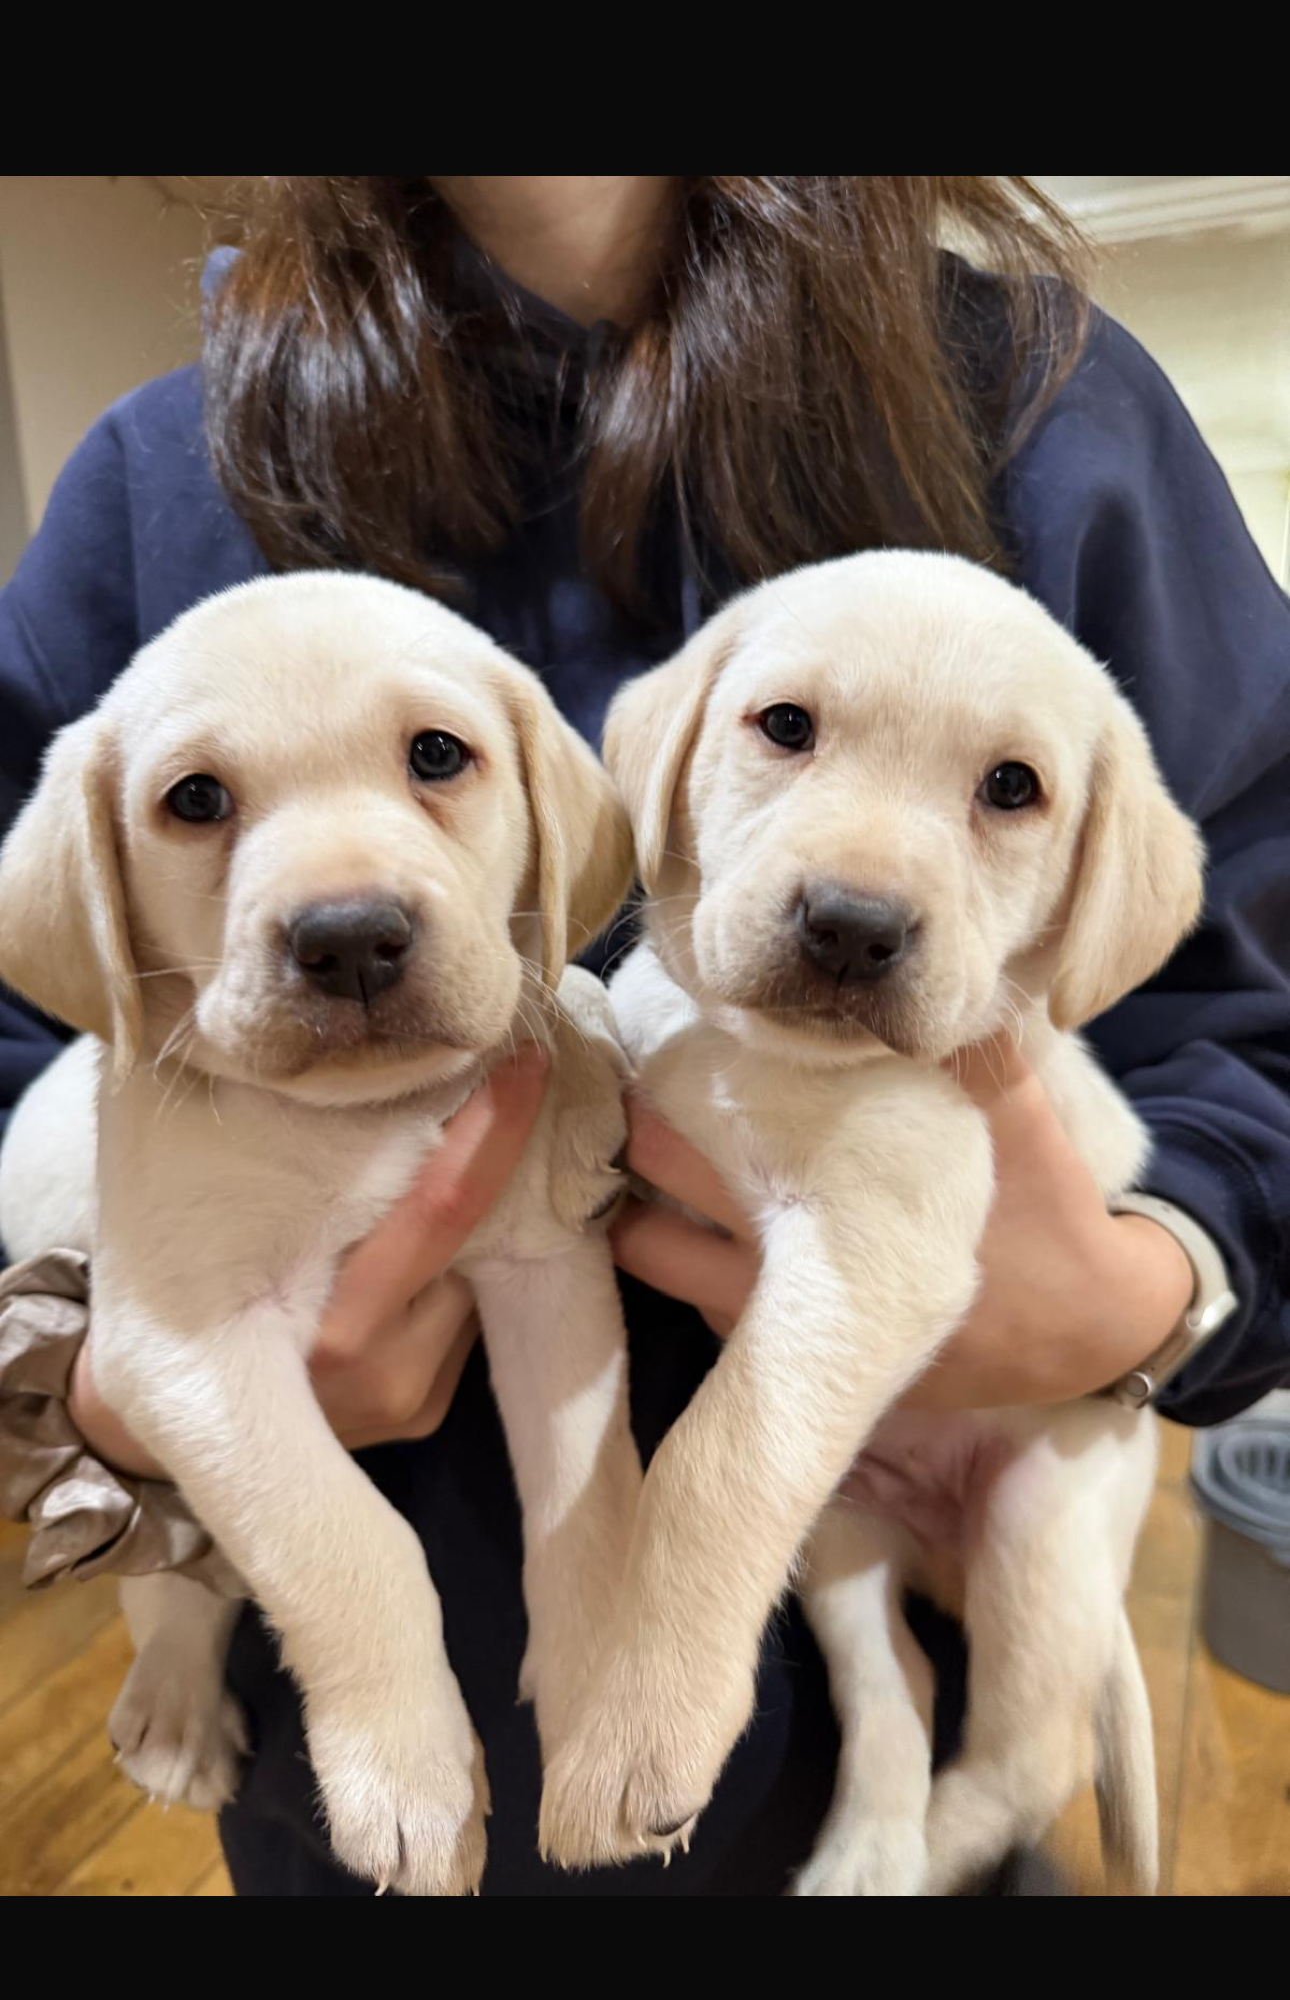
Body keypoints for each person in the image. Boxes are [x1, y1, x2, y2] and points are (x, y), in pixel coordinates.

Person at [2, 175, 1287, 1898]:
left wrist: (1158, 1275)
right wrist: (94, 1386)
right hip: (359, 1798)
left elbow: (1251, 991)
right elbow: (24, 1051)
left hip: (865, 1781)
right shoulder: (161, 474)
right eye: (785, 730)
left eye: (439, 763)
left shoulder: (1043, 408)